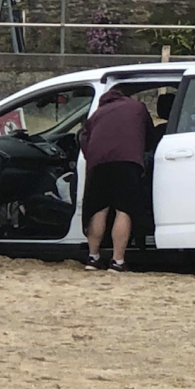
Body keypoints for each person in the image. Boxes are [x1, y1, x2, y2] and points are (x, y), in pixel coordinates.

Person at [81, 89, 155, 273]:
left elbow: (84, 141)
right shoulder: (137, 107)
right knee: (124, 209)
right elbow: (150, 137)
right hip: (127, 162)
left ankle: (93, 258)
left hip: (98, 164)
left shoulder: (97, 114)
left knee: (99, 209)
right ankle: (117, 261)